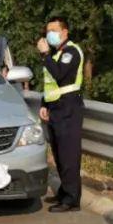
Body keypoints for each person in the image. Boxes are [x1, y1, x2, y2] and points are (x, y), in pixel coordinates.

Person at [37, 16, 84, 213]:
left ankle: (72, 200)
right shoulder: (57, 54)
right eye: (48, 31)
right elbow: (51, 84)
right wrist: (44, 103)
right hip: (55, 108)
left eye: (54, 30)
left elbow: (60, 75)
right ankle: (65, 192)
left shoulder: (71, 52)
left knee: (68, 155)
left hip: (68, 108)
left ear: (65, 32)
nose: (50, 35)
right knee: (58, 153)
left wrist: (45, 54)